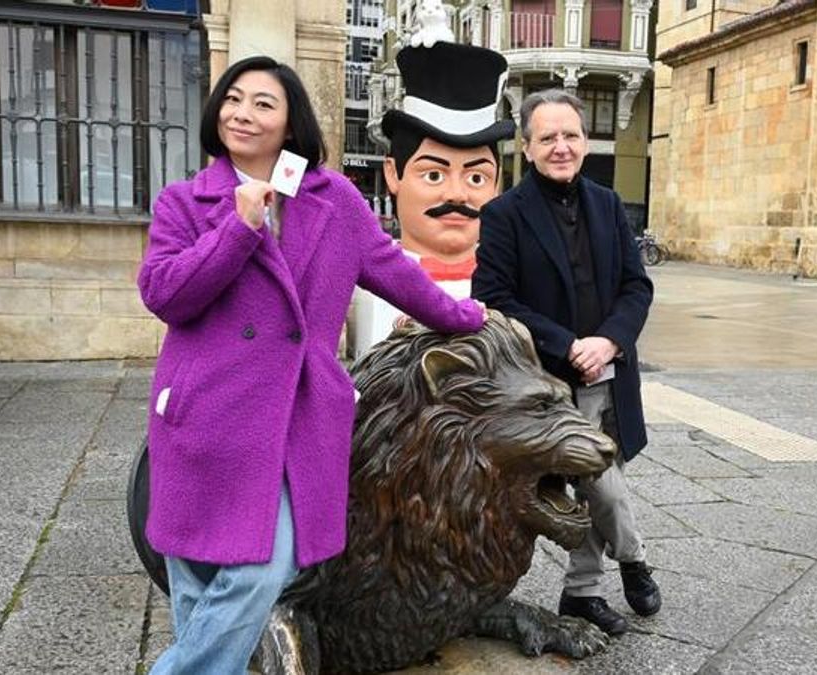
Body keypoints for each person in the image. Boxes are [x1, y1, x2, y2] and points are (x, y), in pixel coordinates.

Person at [138, 55, 484, 673]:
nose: (242, 113)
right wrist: (237, 228)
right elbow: (165, 295)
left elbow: (393, 269)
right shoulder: (184, 202)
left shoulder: (334, 201)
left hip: (293, 417)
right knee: (197, 576)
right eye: (233, 99)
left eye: (263, 103)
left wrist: (463, 316)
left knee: (262, 568)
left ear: (291, 122)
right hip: (205, 413)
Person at [472, 89, 661, 636]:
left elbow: (636, 286)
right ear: (527, 147)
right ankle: (634, 558)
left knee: (605, 477)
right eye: (548, 137)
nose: (561, 146)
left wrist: (609, 341)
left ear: (585, 140)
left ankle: (581, 593)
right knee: (597, 478)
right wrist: (567, 343)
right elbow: (494, 296)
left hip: (610, 371)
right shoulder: (504, 214)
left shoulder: (608, 203)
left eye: (570, 135)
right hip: (546, 381)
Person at [354, 37, 513, 349]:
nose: (456, 195)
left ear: (496, 185)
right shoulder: (367, 280)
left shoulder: (513, 283)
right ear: (393, 174)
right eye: (434, 175)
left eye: (476, 178)